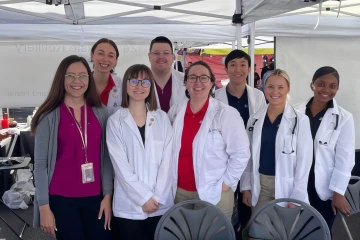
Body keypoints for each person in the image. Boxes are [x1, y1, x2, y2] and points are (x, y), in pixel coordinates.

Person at [31, 55, 113, 240]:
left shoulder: (101, 112)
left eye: (82, 75)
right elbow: (40, 164)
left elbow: (107, 158)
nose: (77, 81)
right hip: (61, 199)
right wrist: (44, 206)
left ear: (89, 79)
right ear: (62, 79)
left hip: (96, 197)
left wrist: (108, 195)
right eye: (70, 76)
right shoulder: (49, 116)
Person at [168, 61, 250, 221]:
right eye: (192, 77)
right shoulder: (176, 111)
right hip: (180, 192)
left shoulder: (226, 114)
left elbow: (241, 153)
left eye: (204, 78)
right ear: (185, 82)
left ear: (212, 82)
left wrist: (226, 183)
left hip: (215, 193)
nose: (198, 82)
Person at [106, 64, 173, 240]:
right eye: (134, 80)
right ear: (125, 84)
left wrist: (156, 197)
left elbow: (168, 162)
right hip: (129, 207)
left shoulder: (162, 118)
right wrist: (144, 198)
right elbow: (121, 168)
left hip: (160, 203)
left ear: (151, 86)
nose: (139, 86)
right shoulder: (115, 122)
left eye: (145, 82)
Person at [241, 69, 313, 215]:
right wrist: (246, 187)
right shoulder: (254, 120)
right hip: (260, 184)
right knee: (259, 231)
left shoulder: (300, 120)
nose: (275, 92)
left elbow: (304, 161)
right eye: (270, 86)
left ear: (288, 89)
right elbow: (247, 157)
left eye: (280, 87)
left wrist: (297, 196)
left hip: (288, 185)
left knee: (284, 232)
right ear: (264, 88)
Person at [295, 66, 355, 231]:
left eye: (332, 86)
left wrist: (338, 192)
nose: (326, 89)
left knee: (319, 231)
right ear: (312, 84)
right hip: (297, 181)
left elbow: (346, 158)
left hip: (324, 187)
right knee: (294, 230)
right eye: (321, 84)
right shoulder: (295, 112)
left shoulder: (344, 118)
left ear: (337, 88)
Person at [215, 49, 266, 237]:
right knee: (224, 213)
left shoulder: (258, 97)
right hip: (223, 162)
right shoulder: (215, 97)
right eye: (233, 65)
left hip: (250, 161)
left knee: (246, 211)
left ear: (249, 68)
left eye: (243, 65)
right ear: (226, 68)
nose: (238, 69)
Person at [148, 36, 186, 113]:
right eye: (156, 53)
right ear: (149, 56)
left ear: (173, 57)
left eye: (166, 53)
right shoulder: (138, 82)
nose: (161, 57)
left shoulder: (186, 81)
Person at [91, 38, 122, 114]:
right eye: (101, 53)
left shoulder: (123, 86)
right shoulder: (80, 83)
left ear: (116, 60)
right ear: (92, 56)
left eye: (111, 56)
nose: (105, 59)